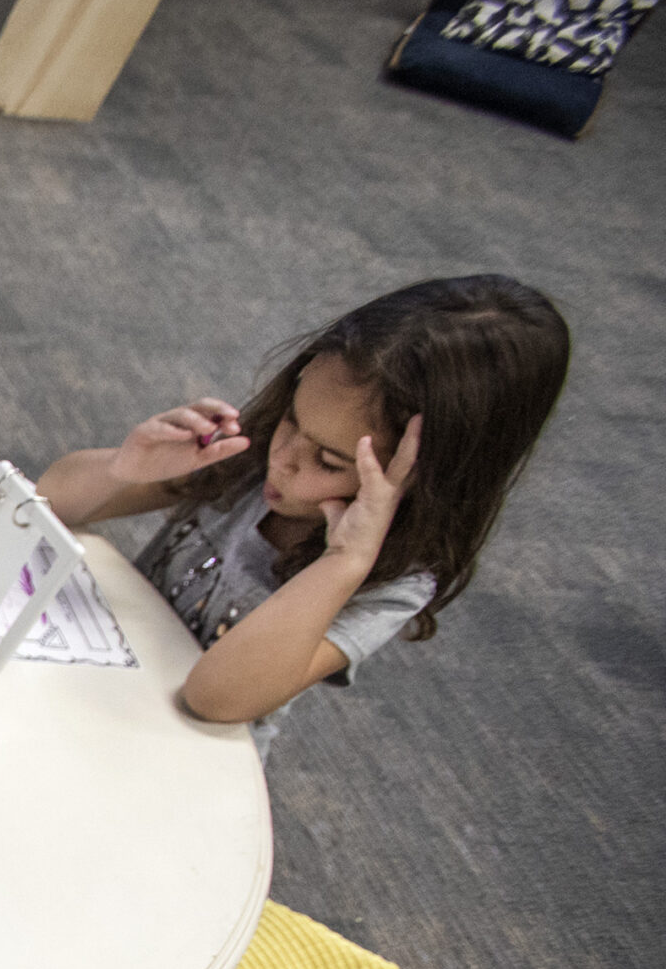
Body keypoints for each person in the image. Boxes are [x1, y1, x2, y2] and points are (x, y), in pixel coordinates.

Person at [36, 275, 571, 755]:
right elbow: (52, 499)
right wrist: (127, 467)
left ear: (421, 483)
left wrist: (342, 563)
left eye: (330, 461)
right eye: (293, 419)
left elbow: (212, 699)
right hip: (95, 684)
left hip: (179, 756)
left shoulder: (391, 583)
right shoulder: (258, 452)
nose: (284, 459)